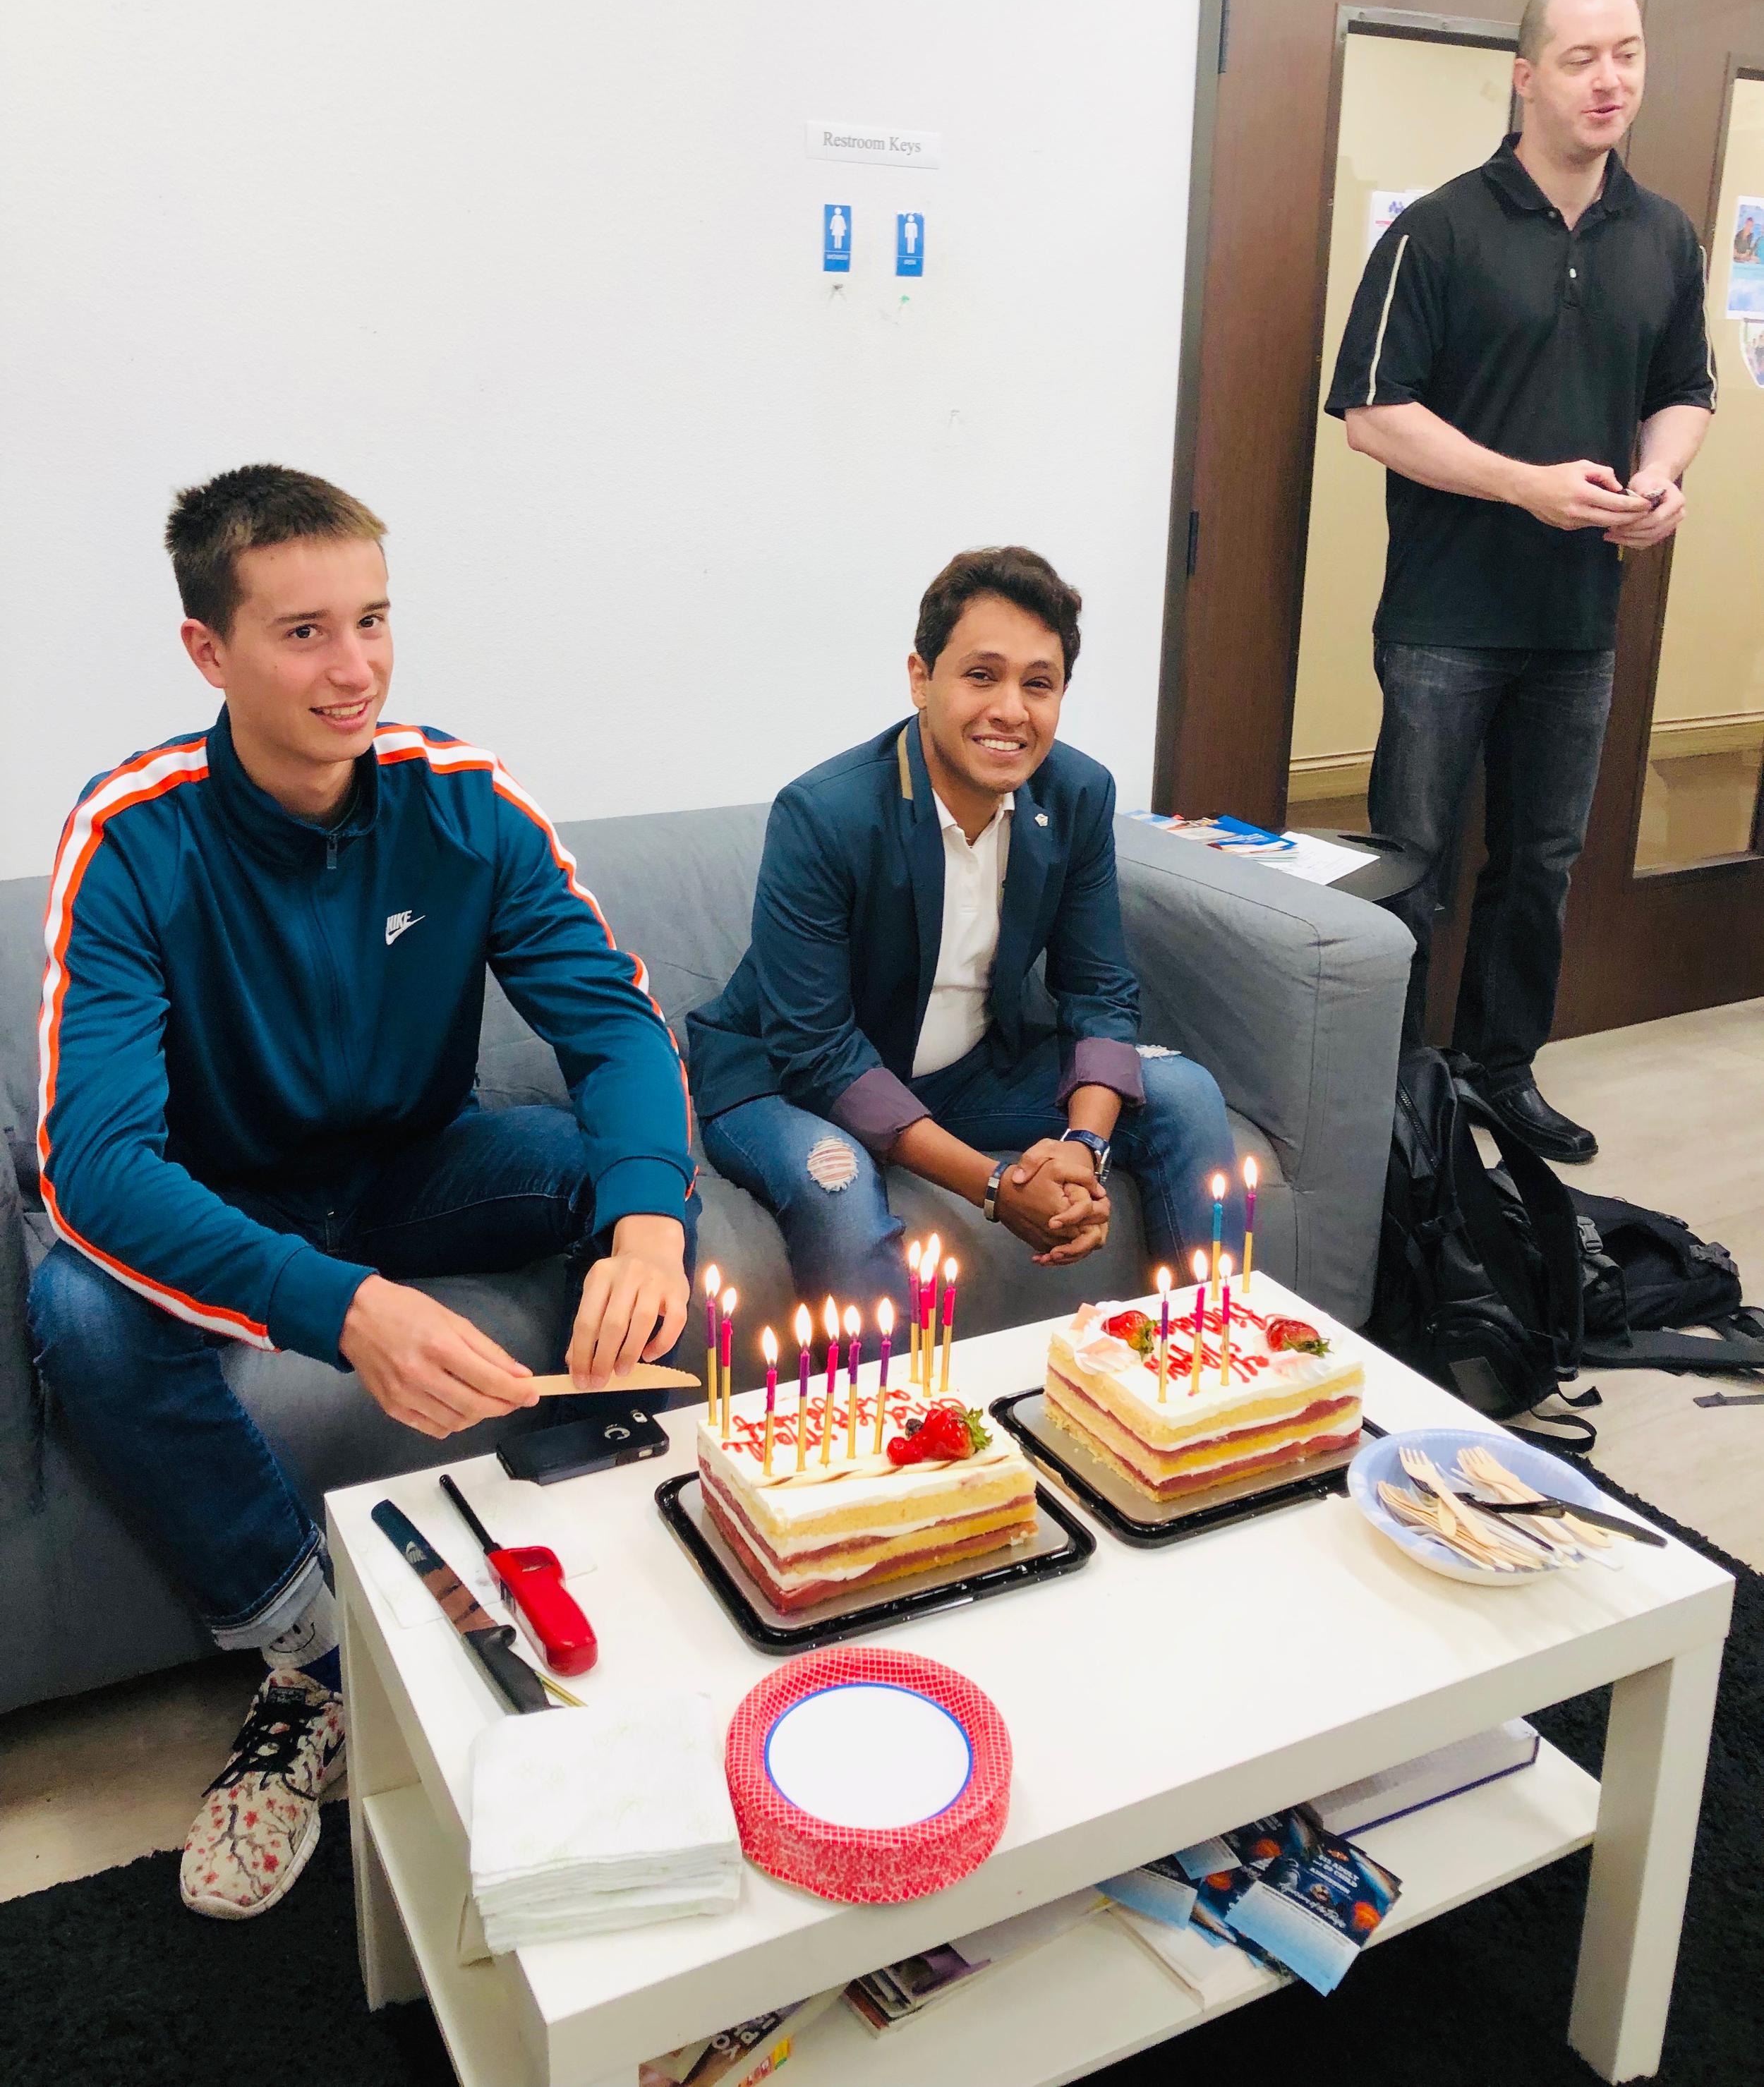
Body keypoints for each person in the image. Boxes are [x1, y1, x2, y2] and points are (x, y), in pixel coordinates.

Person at [28, 466, 696, 1918]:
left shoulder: (463, 802)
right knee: (75, 1304)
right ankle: (316, 1667)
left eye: (375, 621)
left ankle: (612, 1564)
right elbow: (94, 1167)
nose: (356, 669)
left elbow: (613, 1024)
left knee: (612, 1182)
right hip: (228, 1203)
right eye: (305, 632)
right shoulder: (133, 834)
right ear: (208, 650)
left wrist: (650, 1216)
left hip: (411, 1172)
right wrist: (344, 1311)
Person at [1327, 0, 1714, 1162]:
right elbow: (1371, 414)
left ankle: (1500, 1073)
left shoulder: (1662, 234)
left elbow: (1684, 392)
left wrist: (1663, 480)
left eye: (1629, 55)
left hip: (1578, 622)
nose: (1611, 80)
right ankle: (1392, 1096)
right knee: (1413, 861)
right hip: (1446, 616)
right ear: (1526, 75)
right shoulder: (1436, 231)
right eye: (1584, 56)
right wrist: (1525, 483)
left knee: (1539, 864)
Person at [687, 545, 1237, 1307]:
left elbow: (1099, 991)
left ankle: (1207, 1376)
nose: (1010, 710)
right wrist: (995, 1188)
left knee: (1184, 1090)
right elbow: (816, 1052)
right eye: (981, 675)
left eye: (1037, 684)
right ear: (921, 678)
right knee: (836, 1188)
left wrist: (1082, 1148)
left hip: (969, 1074)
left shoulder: (1075, 794)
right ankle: (891, 1426)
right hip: (783, 1086)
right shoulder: (824, 814)